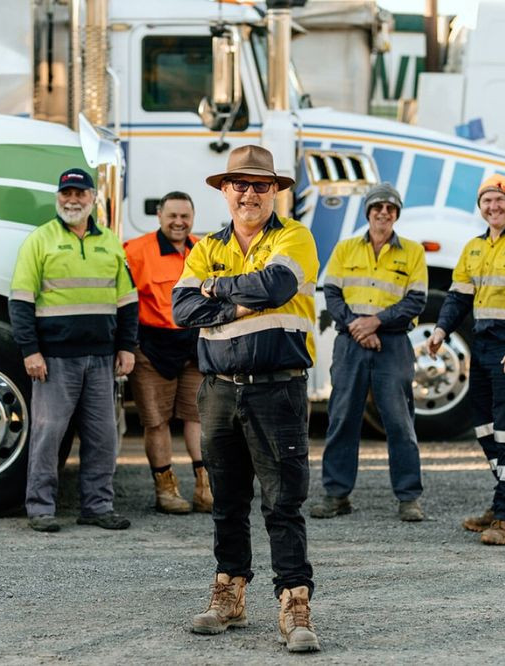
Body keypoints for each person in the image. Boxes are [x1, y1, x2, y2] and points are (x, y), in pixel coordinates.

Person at [172, 145, 321, 653]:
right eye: (240, 184)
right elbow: (181, 307)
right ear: (225, 190)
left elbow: (277, 285)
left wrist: (217, 290)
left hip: (277, 389)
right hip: (217, 392)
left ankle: (294, 604)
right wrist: (235, 302)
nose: (250, 193)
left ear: (275, 191)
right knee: (227, 501)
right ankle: (229, 594)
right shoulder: (205, 244)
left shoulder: (296, 237)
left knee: (283, 502)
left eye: (261, 185)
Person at [426, 174, 505, 546]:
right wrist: (440, 330)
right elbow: (458, 298)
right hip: (483, 345)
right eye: (487, 201)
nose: (493, 207)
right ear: (480, 207)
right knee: (484, 426)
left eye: (500, 200)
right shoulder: (473, 248)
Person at [9, 167, 138, 532]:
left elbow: (128, 300)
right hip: (54, 359)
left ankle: (98, 506)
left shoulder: (110, 242)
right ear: (58, 198)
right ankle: (40, 508)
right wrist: (30, 351)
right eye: (67, 193)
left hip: (101, 358)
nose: (73, 199)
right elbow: (20, 300)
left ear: (93, 198)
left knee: (103, 437)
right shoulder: (40, 240)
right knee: (48, 436)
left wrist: (127, 347)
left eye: (80, 193)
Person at [310, 183, 428, 522]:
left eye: (390, 208)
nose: (383, 213)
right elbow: (331, 294)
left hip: (392, 345)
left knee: (399, 422)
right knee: (342, 418)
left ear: (397, 214)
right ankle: (336, 495)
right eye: (377, 207)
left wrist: (375, 322)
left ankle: (408, 498)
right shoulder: (346, 249)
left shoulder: (413, 252)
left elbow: (416, 300)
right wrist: (357, 328)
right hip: (350, 344)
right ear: (368, 212)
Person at [124, 191, 213, 514]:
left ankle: (205, 488)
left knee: (197, 417)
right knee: (156, 421)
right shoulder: (136, 251)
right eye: (172, 215)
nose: (179, 222)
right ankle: (166, 490)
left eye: (185, 216)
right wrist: (128, 345)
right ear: (159, 215)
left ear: (192, 217)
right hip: (151, 348)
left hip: (193, 345)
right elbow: (125, 301)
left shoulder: (202, 249)